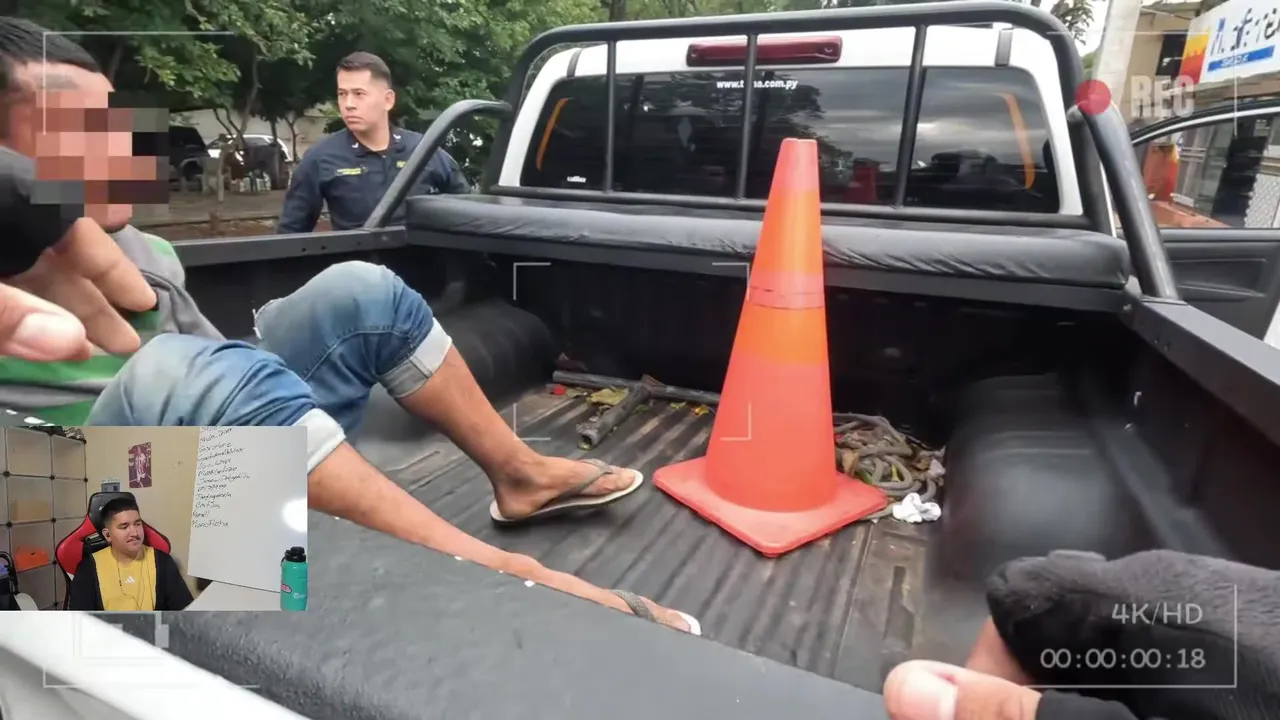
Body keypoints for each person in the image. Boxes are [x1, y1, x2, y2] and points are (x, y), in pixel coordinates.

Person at [0, 17, 693, 632]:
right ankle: (503, 580)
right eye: (77, 131)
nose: (119, 148)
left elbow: (213, 378)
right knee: (180, 373)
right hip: (74, 542)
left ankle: (521, 477)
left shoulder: (145, 252)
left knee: (361, 290)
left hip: (203, 492)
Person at [276, 51, 470, 234]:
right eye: (342, 94)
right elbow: (290, 235)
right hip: (358, 257)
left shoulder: (424, 150)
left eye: (359, 94)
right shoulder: (321, 157)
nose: (348, 104)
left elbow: (468, 214)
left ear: (388, 100)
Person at [68, 497, 194, 611]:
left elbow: (185, 611)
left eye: (137, 524)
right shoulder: (89, 568)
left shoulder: (162, 562)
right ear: (107, 535)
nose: (135, 533)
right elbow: (80, 621)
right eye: (124, 527)